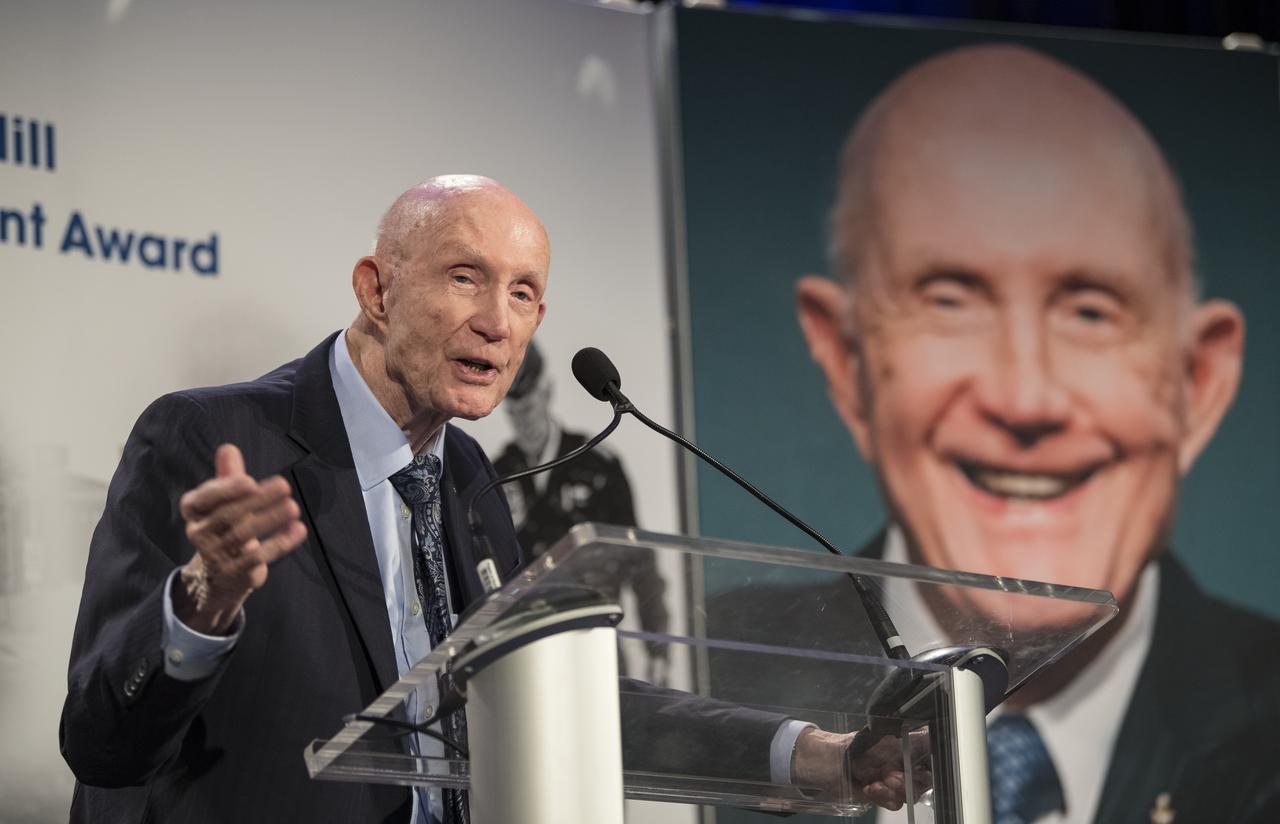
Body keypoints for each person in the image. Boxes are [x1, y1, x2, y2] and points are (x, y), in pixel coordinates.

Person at [60, 176, 913, 823]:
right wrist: (202, 604)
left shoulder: (466, 478)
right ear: (376, 288)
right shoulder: (210, 440)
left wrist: (819, 756)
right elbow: (102, 742)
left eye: (523, 293)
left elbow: (557, 699)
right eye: (466, 278)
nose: (499, 324)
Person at [790, 45, 1280, 824]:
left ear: (1199, 382)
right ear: (847, 362)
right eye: (951, 299)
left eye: (1091, 310)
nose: (1026, 397)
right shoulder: (717, 695)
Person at [495, 341, 671, 683]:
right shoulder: (498, 475)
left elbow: (640, 563)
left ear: (546, 393)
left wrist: (658, 645)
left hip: (593, 635)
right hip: (524, 645)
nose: (522, 421)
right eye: (512, 412)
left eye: (527, 407)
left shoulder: (596, 464)